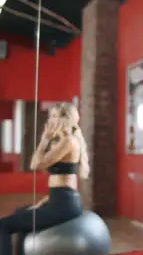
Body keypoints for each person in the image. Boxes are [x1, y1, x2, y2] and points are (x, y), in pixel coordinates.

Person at [0, 103, 90, 255]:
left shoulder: (68, 142)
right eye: (51, 116)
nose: (50, 120)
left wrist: (44, 139)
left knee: (2, 225)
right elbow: (60, 186)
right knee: (19, 211)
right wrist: (42, 203)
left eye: (54, 116)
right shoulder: (63, 141)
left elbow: (36, 164)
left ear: (65, 119)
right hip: (59, 200)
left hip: (63, 206)